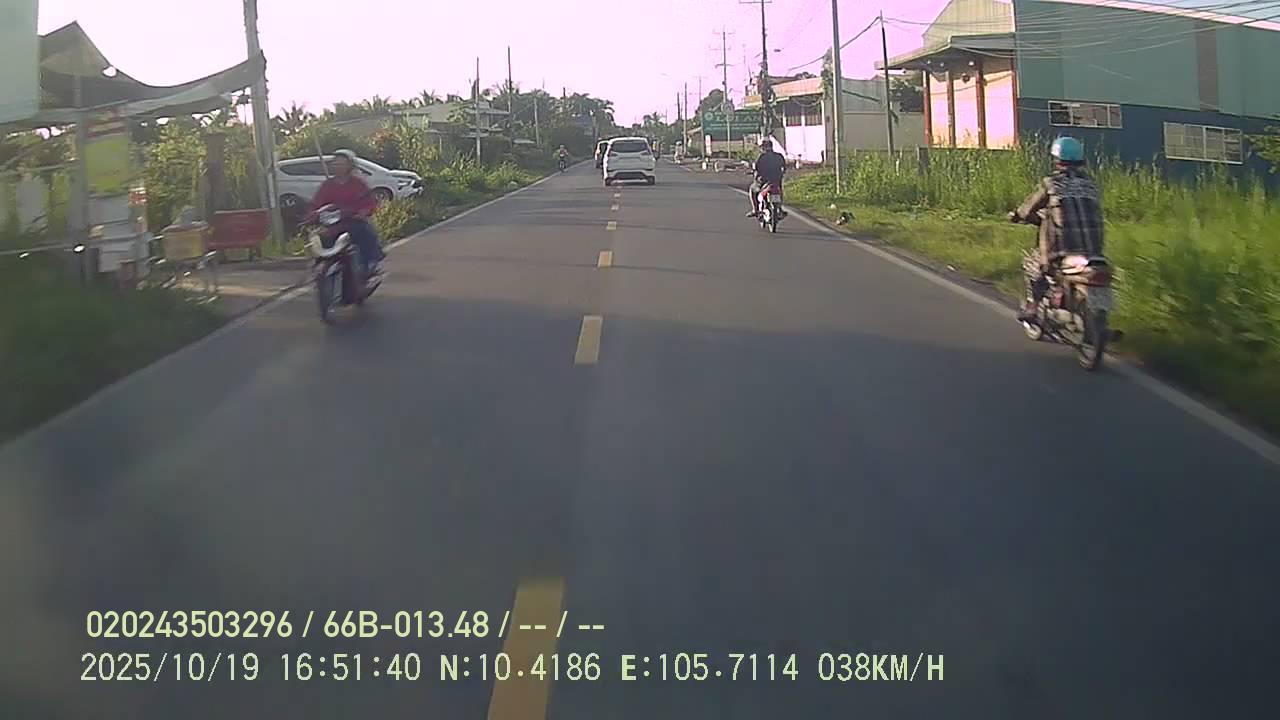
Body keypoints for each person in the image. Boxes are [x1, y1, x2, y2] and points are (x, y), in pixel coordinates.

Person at [1009, 136, 1105, 322]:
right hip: (1094, 250)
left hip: (1063, 249)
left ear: (1057, 160)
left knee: (1036, 265)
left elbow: (1027, 209)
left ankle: (1033, 307)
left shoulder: (1051, 183)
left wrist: (1016, 216)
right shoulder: (1091, 184)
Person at [306, 149, 386, 277]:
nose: (338, 167)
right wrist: (312, 215)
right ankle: (320, 267)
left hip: (352, 221)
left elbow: (369, 202)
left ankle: (369, 264)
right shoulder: (327, 185)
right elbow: (316, 204)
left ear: (350, 165)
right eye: (336, 164)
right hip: (332, 223)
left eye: (342, 164)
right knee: (318, 237)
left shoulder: (358, 184)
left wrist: (363, 212)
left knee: (366, 232)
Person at [747, 138, 787, 217]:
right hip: (776, 180)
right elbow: (784, 168)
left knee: (752, 190)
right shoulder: (779, 156)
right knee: (779, 191)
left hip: (763, 181)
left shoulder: (761, 157)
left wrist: (754, 173)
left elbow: (756, 168)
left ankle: (755, 210)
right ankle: (780, 208)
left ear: (763, 147)